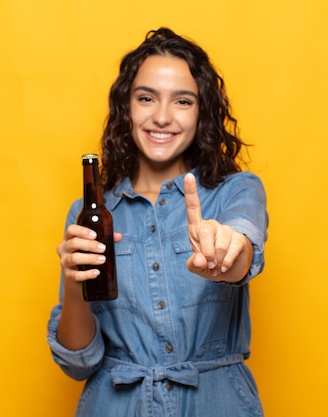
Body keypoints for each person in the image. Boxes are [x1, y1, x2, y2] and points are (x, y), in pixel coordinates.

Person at [47, 27, 269, 416]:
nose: (162, 117)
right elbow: (78, 363)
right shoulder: (89, 213)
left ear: (202, 113)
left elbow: (241, 253)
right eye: (146, 98)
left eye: (182, 101)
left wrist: (222, 249)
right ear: (126, 108)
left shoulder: (236, 191)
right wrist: (72, 281)